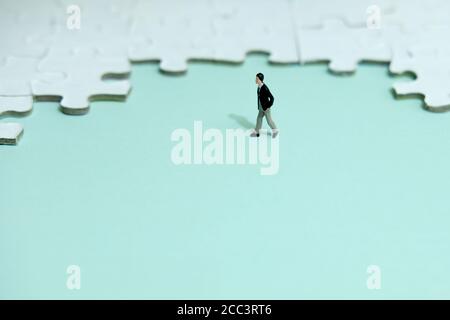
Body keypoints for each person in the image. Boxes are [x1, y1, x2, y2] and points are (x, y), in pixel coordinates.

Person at [251, 73, 278, 138]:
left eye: (257, 79)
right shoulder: (259, 87)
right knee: (259, 119)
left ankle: (275, 131)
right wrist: (259, 106)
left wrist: (268, 106)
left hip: (266, 108)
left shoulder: (265, 88)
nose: (256, 80)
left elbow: (272, 98)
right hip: (261, 107)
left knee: (269, 121)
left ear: (260, 80)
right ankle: (257, 132)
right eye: (256, 78)